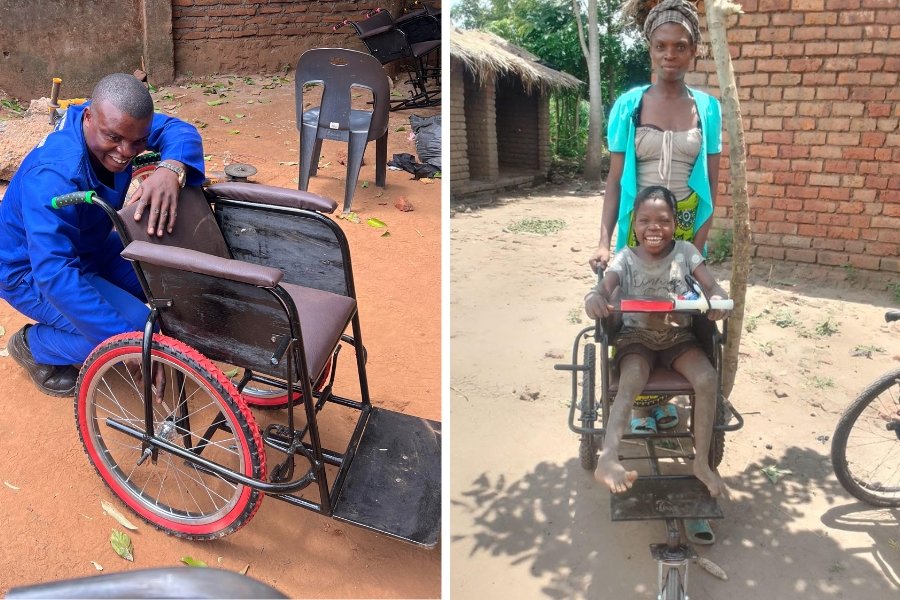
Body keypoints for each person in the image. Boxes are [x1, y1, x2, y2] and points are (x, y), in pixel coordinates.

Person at [0, 73, 205, 397]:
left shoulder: (116, 119)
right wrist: (124, 340)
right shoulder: (52, 177)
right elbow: (54, 273)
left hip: (88, 244)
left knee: (169, 279)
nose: (125, 152)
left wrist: (171, 167)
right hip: (29, 269)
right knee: (138, 331)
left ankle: (109, 320)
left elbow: (179, 130)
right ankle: (34, 345)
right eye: (114, 139)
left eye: (138, 141)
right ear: (88, 117)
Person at [585, 185, 730, 498]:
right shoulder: (626, 258)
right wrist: (595, 296)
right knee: (632, 377)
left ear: (675, 223)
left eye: (664, 220)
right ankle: (607, 458)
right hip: (636, 337)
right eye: (645, 220)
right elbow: (604, 288)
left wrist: (717, 297)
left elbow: (711, 286)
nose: (654, 228)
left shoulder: (686, 252)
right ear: (635, 224)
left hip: (678, 335)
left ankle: (701, 464)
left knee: (707, 378)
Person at [590, 0, 721, 271]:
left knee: (685, 297)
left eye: (680, 47)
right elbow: (615, 180)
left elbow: (711, 185)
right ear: (650, 49)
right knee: (629, 295)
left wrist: (695, 253)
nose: (669, 55)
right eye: (661, 46)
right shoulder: (629, 106)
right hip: (640, 228)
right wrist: (603, 243)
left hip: (685, 229)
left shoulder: (708, 109)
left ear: (693, 50)